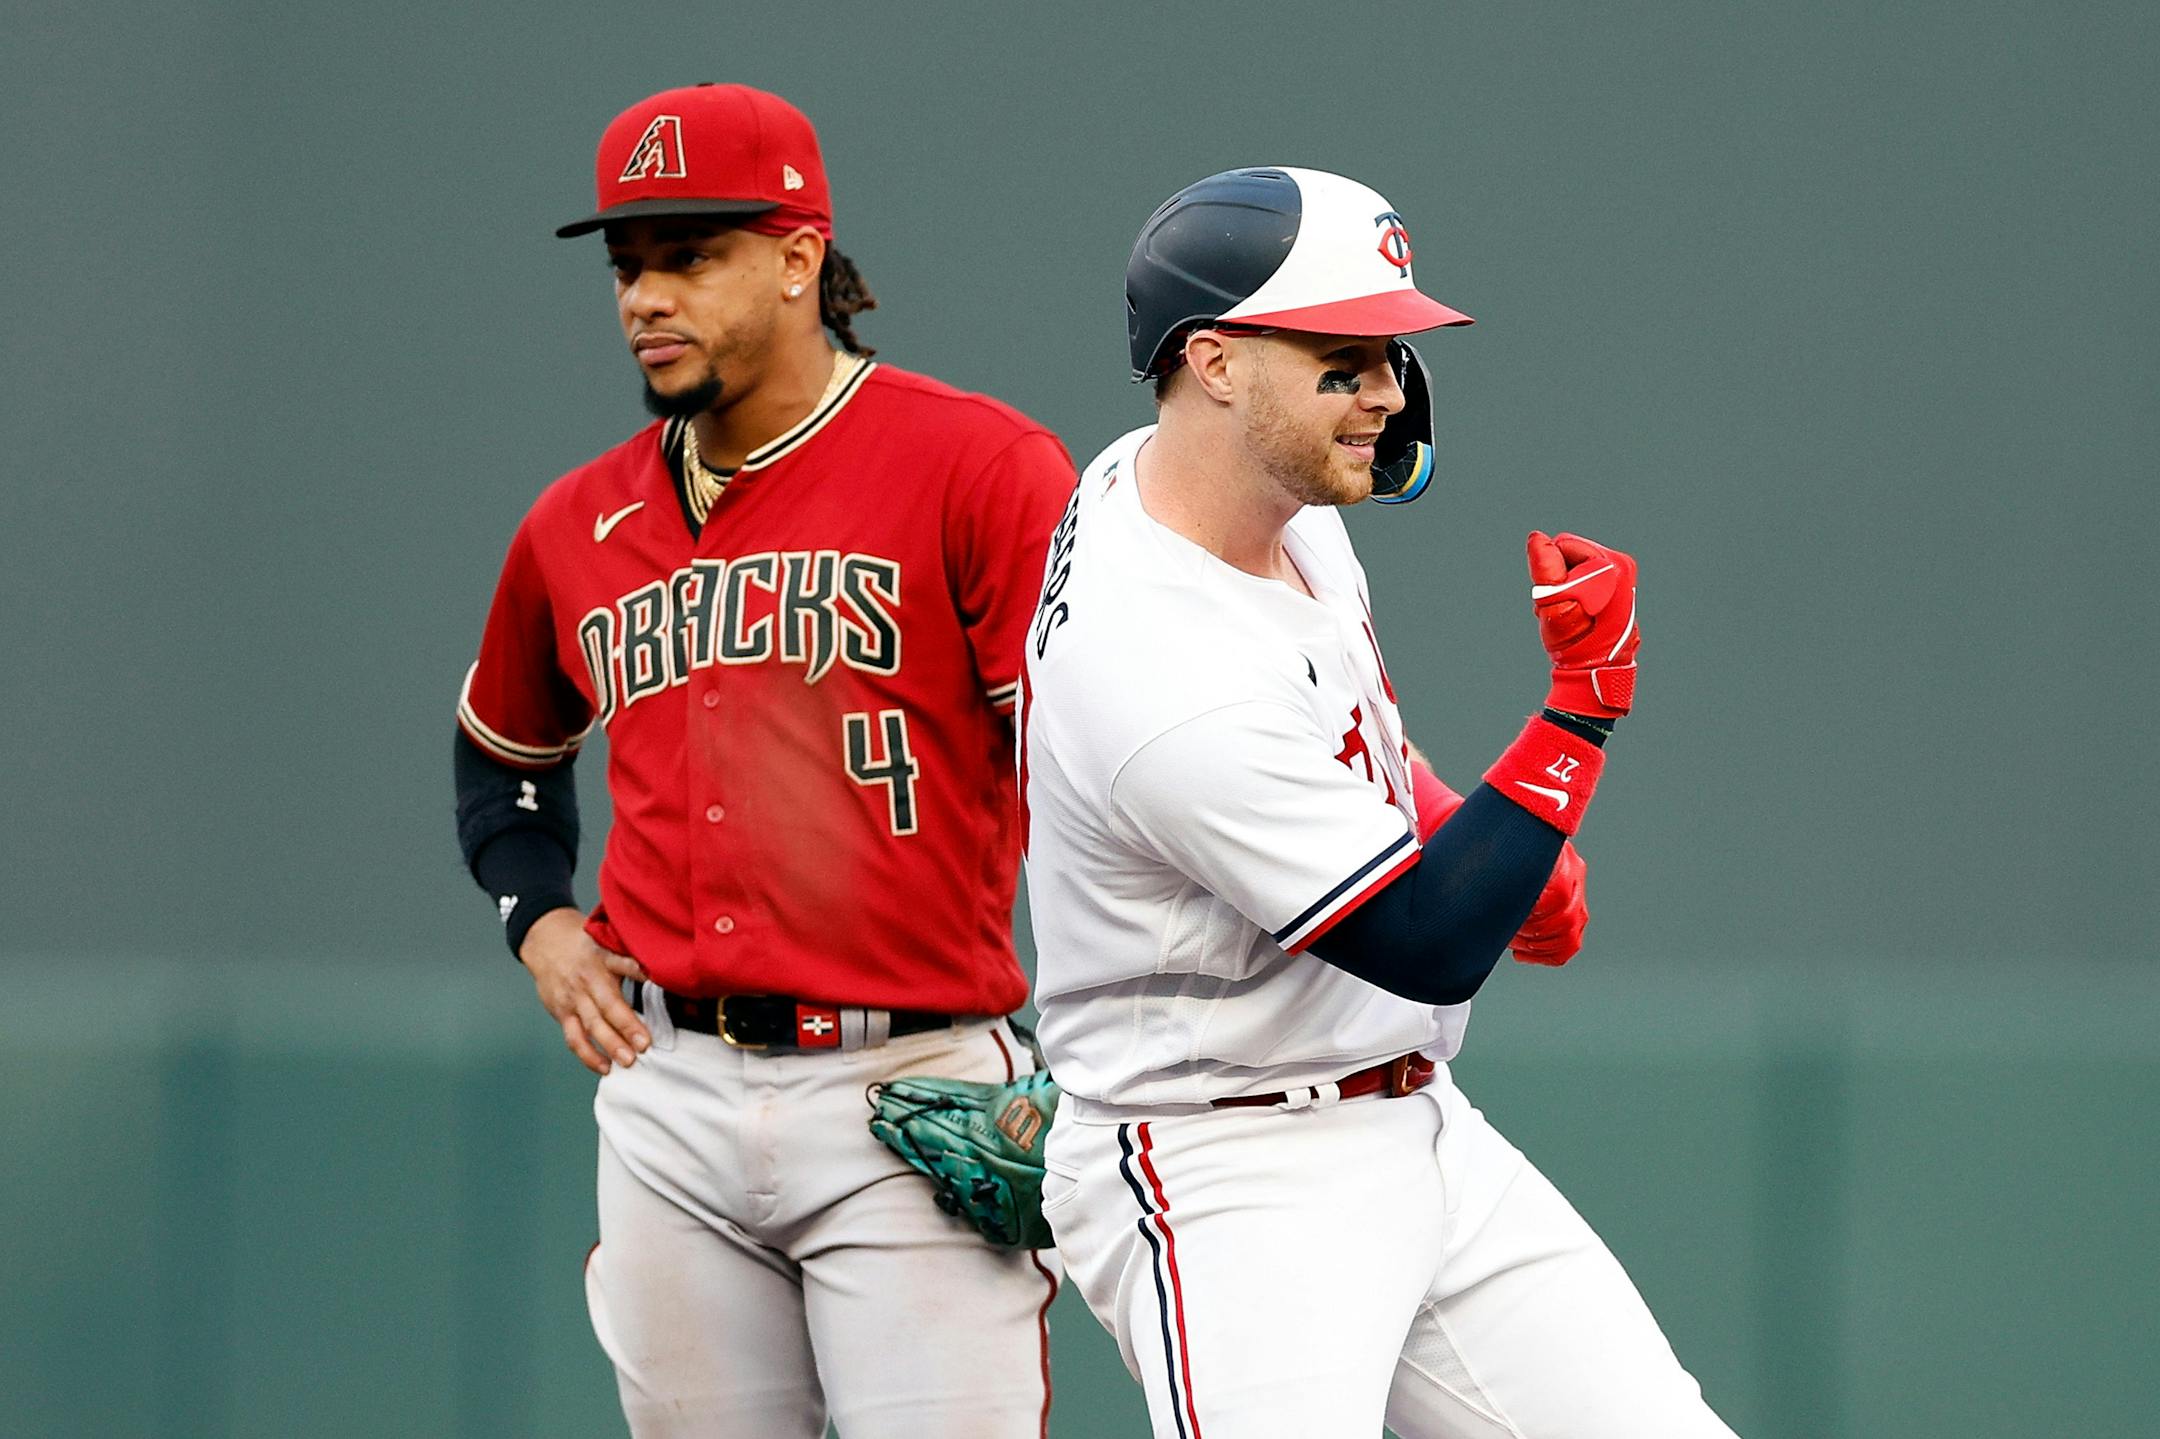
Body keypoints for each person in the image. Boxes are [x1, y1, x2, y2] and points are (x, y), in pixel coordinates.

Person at [1017, 166, 1737, 1438]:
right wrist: (1575, 719)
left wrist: (1478, 822)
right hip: (1225, 1162)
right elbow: (1424, 943)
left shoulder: (1207, 482)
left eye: (1393, 353)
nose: (1389, 392)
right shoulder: (1152, 665)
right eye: (1344, 356)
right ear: (1217, 360)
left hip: (1413, 1123)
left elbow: (1342, 730)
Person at [451, 83, 1074, 1438]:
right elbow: (500, 756)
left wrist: (1092, 1032)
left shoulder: (977, 466)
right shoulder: (576, 522)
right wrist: (541, 917)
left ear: (801, 259)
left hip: (910, 1088)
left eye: (690, 256)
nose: (645, 297)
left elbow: (1102, 761)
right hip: (667, 1094)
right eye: (629, 265)